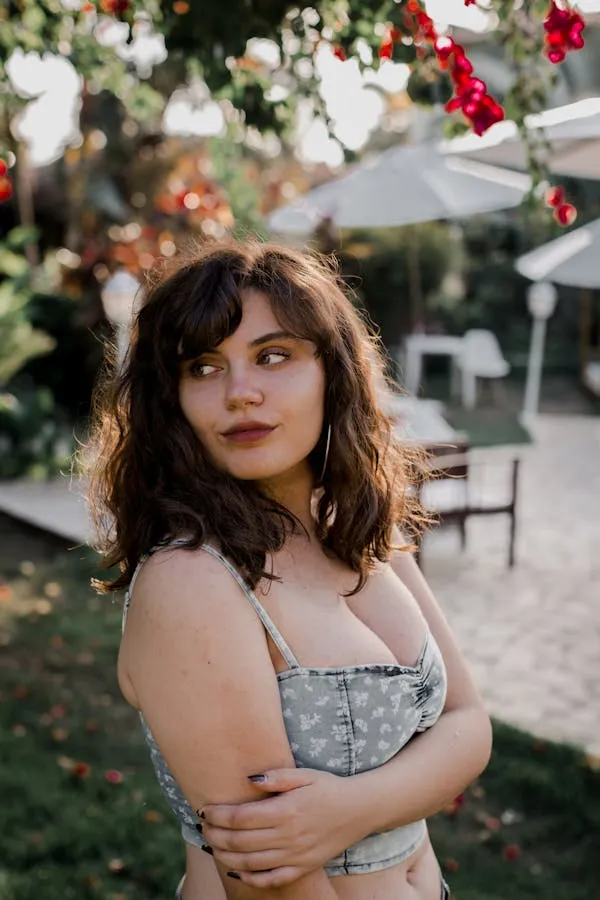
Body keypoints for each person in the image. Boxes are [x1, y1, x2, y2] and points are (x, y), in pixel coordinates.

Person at [88, 239, 492, 900]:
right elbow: (269, 878)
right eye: (203, 367)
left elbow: (469, 726)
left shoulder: (357, 531)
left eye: (273, 356)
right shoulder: (192, 580)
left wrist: (349, 810)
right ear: (172, 399)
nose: (241, 393)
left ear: (333, 370)